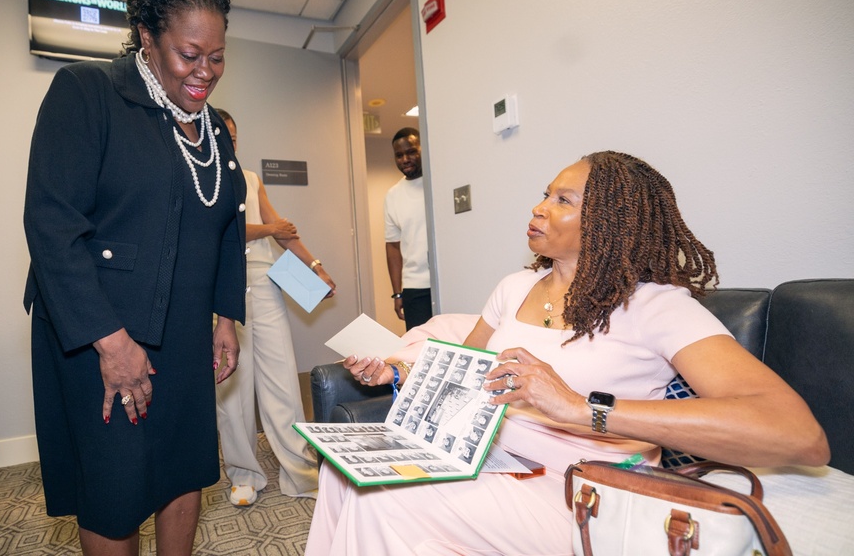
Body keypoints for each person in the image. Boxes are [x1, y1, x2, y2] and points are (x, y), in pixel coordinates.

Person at [306, 151, 830, 555]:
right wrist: (398, 369)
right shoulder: (513, 287)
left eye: (563, 200)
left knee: (387, 496)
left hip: (581, 490)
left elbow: (799, 436)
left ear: (608, 223)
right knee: (342, 470)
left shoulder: (656, 307)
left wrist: (581, 407)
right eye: (544, 195)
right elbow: (461, 373)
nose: (538, 208)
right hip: (492, 461)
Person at [23, 0, 245, 556]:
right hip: (102, 335)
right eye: (189, 54)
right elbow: (51, 224)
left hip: (183, 332)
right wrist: (111, 342)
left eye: (218, 57)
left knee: (184, 463)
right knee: (114, 486)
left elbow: (226, 222)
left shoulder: (213, 134)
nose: (205, 71)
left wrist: (225, 316)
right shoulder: (87, 94)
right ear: (146, 35)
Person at [213, 108, 335, 506]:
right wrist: (270, 229)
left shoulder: (250, 179)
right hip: (222, 292)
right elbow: (225, 230)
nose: (229, 143)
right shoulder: (201, 181)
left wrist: (316, 267)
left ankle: (299, 473)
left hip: (266, 284)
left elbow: (283, 230)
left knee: (282, 379)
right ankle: (243, 474)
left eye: (234, 137)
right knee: (232, 386)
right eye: (221, 136)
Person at [384, 127, 433, 330]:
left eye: (411, 152)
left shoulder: (437, 183)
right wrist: (398, 293)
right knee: (419, 352)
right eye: (399, 155)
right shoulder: (393, 195)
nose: (405, 159)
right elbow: (392, 247)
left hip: (445, 281)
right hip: (414, 288)